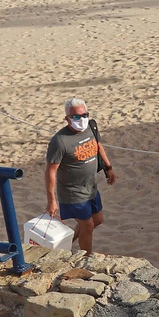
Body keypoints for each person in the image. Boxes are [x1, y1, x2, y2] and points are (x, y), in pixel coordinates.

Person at [45, 97, 116, 253]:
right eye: (76, 117)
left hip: (91, 187)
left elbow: (98, 146)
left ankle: (65, 244)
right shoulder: (60, 141)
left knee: (97, 220)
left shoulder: (91, 127)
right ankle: (87, 258)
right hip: (73, 192)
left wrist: (108, 167)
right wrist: (52, 200)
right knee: (88, 225)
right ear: (67, 119)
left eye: (84, 115)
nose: (82, 119)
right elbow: (51, 170)